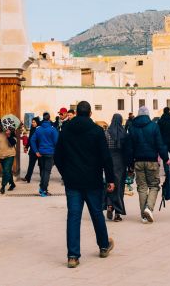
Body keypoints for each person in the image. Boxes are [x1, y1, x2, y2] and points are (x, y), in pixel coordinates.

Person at [53, 100, 115, 268]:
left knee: (73, 216)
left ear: (76, 113)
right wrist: (110, 179)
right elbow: (105, 157)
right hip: (92, 180)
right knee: (96, 213)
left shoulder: (66, 130)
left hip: (72, 181)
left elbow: (57, 157)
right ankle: (103, 246)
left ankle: (73, 256)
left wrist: (65, 173)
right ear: (90, 113)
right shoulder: (96, 131)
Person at [127, 106, 169, 224]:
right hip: (152, 161)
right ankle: (148, 208)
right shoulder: (154, 126)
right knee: (154, 186)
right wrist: (166, 158)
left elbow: (130, 148)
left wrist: (130, 164)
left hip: (138, 162)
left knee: (142, 188)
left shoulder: (132, 127)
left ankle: (144, 216)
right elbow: (160, 144)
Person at [104, 113, 129, 222]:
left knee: (110, 184)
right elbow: (127, 151)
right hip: (120, 162)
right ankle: (118, 213)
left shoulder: (106, 133)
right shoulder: (124, 133)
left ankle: (109, 205)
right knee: (119, 187)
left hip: (108, 161)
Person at [32, 112, 59, 197]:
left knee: (43, 171)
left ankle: (42, 188)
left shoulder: (38, 129)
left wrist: (36, 151)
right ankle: (43, 190)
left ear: (42, 118)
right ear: (49, 118)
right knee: (47, 172)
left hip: (40, 153)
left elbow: (32, 140)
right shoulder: (52, 129)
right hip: (50, 153)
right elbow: (56, 142)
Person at [0, 123, 17, 194]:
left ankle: (3, 187)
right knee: (7, 171)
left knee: (6, 171)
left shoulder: (10, 132)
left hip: (10, 155)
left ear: (2, 126)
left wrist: (8, 136)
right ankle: (12, 184)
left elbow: (13, 143)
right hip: (1, 155)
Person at [21, 117, 40, 183]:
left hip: (39, 150)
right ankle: (27, 178)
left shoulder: (40, 129)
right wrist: (26, 147)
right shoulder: (32, 129)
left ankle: (43, 178)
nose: (32, 123)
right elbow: (30, 140)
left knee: (41, 166)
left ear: (37, 122)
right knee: (31, 165)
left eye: (34, 122)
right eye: (32, 122)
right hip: (32, 151)